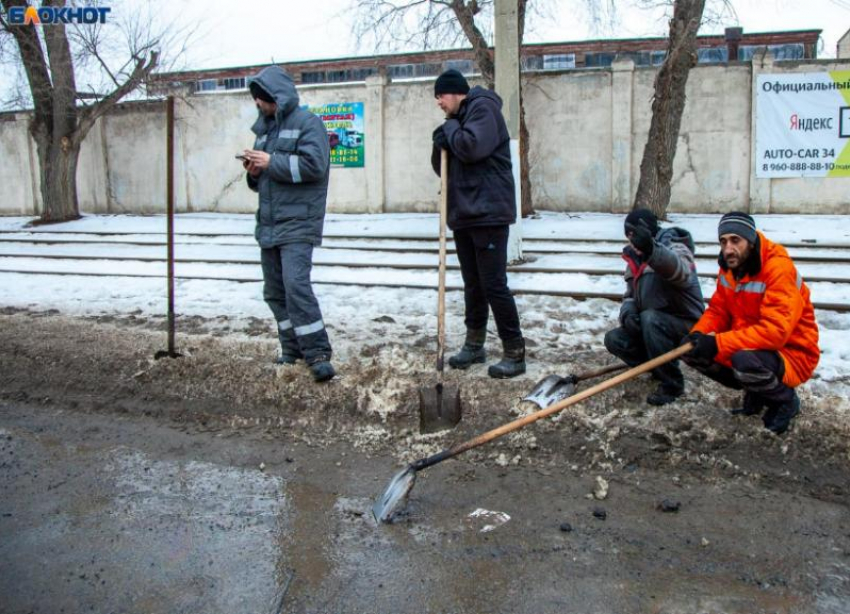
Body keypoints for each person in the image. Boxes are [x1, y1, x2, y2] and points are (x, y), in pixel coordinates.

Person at [680, 212, 819, 434]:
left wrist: (717, 343)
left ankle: (784, 401)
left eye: (735, 240)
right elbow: (718, 310)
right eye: (723, 241)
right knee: (693, 351)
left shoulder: (777, 269)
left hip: (792, 353)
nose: (728, 249)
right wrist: (698, 334)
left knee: (743, 358)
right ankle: (755, 392)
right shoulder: (730, 268)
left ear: (751, 241)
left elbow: (776, 333)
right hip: (753, 345)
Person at [430, 69, 526, 379]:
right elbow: (442, 167)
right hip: (464, 213)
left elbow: (471, 148)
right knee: (473, 284)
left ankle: (515, 351)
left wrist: (450, 127)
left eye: (440, 96)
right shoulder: (458, 121)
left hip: (487, 211)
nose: (438, 103)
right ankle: (475, 344)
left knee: (493, 284)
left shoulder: (483, 108)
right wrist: (439, 142)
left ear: (456, 93)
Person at [241, 66, 335, 382]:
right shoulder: (265, 130)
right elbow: (264, 180)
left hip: (298, 221)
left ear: (276, 98)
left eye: (261, 99)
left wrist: (270, 161)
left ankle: (318, 354)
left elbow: (314, 166)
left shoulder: (309, 124)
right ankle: (291, 349)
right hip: (269, 223)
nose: (258, 104)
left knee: (297, 287)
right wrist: (254, 173)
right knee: (275, 292)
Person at [604, 208, 705, 405]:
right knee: (614, 339)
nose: (631, 240)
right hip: (654, 327)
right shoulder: (634, 258)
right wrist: (628, 313)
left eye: (634, 235)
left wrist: (652, 250)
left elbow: (681, 272)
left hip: (686, 327)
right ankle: (658, 367)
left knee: (651, 318)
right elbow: (629, 295)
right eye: (628, 236)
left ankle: (672, 384)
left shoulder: (675, 246)